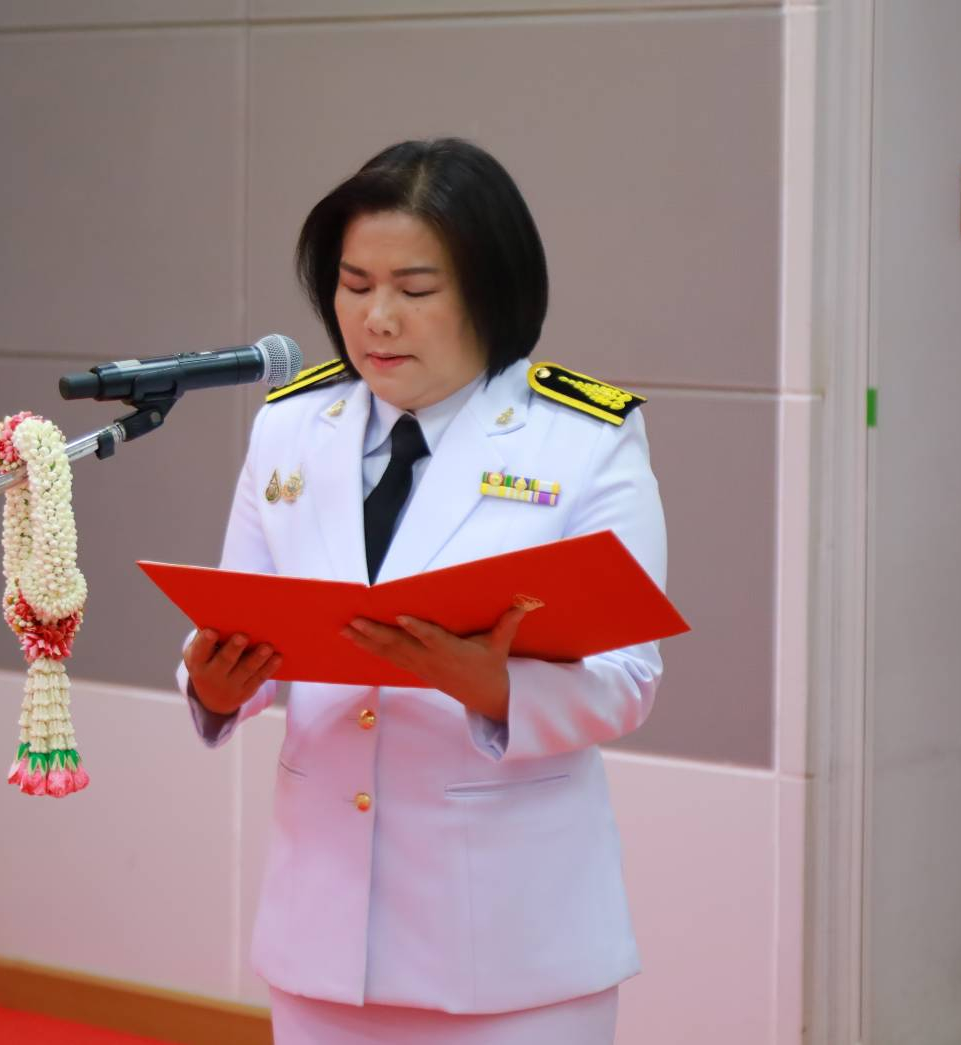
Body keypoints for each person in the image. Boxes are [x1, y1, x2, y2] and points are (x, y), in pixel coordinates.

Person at [177, 138, 667, 1043]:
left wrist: (490, 684)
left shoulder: (580, 438)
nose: (377, 319)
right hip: (322, 927)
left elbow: (628, 677)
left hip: (512, 942)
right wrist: (212, 686)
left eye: (414, 288)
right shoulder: (290, 427)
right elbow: (239, 621)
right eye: (354, 284)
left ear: (488, 289)